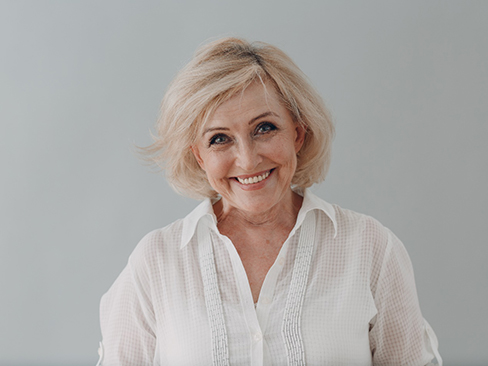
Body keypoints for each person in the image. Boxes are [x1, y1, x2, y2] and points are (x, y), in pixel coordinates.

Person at [97, 37, 442, 366]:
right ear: (199, 156)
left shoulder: (371, 248)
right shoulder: (156, 262)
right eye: (219, 139)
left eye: (264, 128)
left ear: (298, 133)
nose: (247, 160)